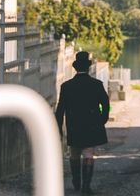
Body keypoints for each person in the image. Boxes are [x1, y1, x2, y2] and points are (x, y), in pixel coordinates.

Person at [55, 51, 109, 194]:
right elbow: (105, 103)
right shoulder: (97, 85)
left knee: (74, 152)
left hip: (74, 124)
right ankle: (86, 185)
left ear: (75, 68)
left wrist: (59, 127)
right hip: (92, 124)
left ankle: (76, 180)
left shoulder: (66, 86)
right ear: (89, 67)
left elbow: (60, 109)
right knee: (88, 153)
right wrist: (102, 119)